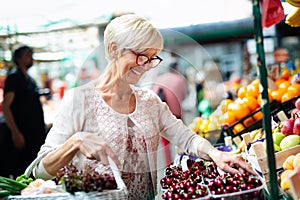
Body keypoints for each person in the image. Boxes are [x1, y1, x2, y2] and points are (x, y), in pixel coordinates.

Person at [32, 14, 256, 199]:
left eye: (152, 58)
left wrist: (215, 154)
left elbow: (186, 138)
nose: (147, 66)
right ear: (113, 50)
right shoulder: (78, 100)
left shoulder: (149, 102)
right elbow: (40, 170)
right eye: (140, 56)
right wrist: (76, 141)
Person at [1, 46, 46, 177]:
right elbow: (6, 106)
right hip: (22, 133)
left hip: (33, 134)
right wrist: (16, 133)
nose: (31, 58)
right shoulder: (14, 78)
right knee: (22, 172)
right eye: (28, 56)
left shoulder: (29, 79)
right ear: (19, 59)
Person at [152, 62, 188, 165]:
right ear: (176, 68)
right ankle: (183, 161)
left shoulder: (160, 79)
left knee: (165, 143)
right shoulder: (180, 79)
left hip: (162, 115)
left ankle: (169, 164)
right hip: (176, 112)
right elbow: (184, 96)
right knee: (181, 138)